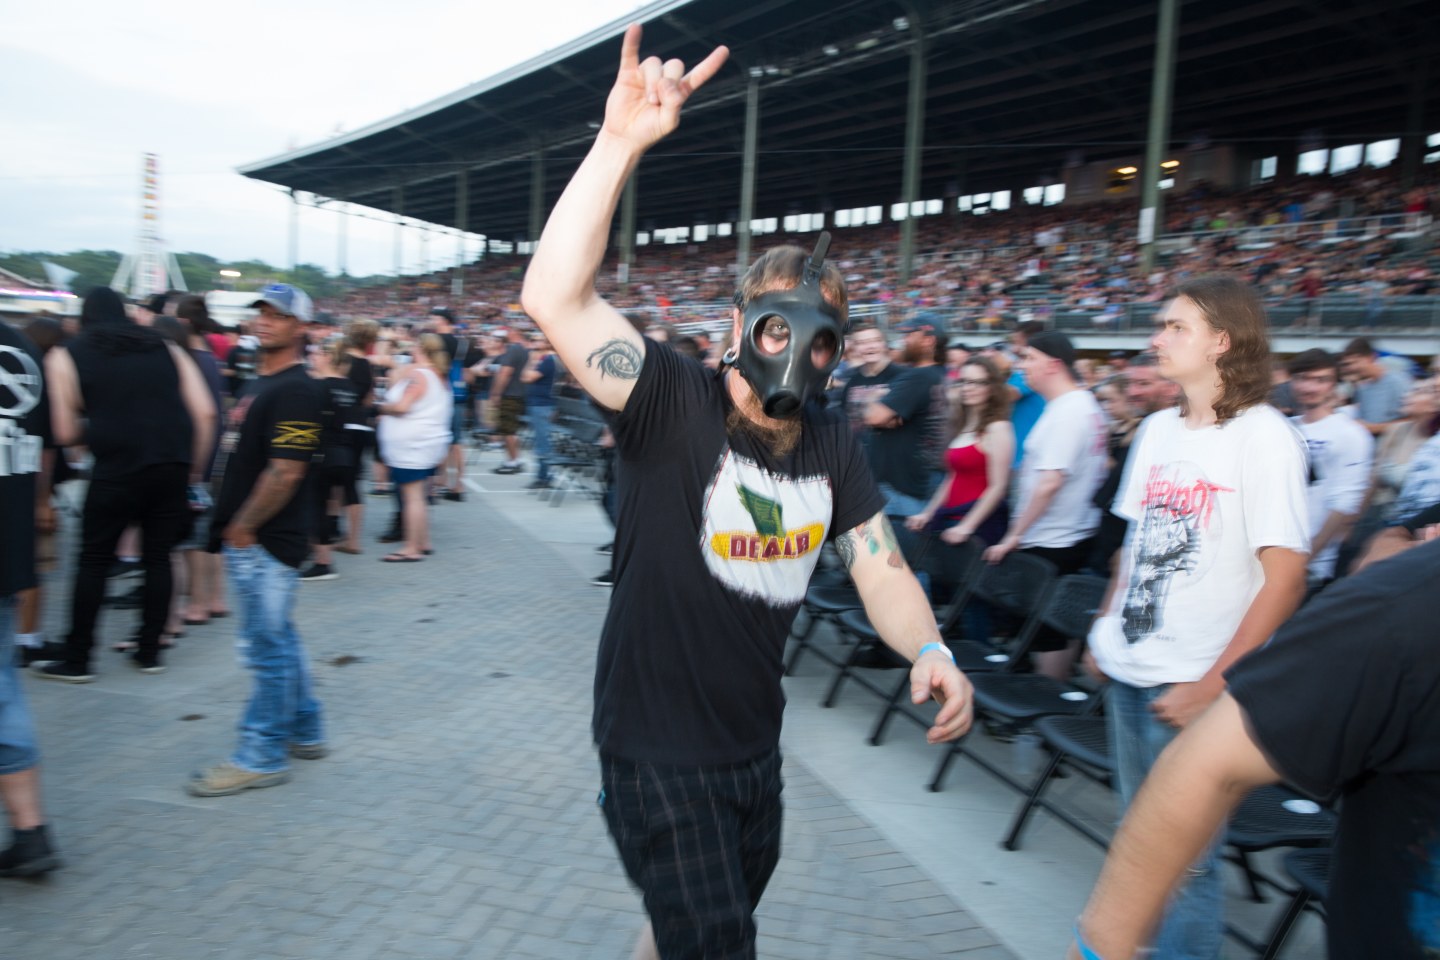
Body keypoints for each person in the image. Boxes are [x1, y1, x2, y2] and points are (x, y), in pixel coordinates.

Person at [519, 26, 973, 960]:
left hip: (752, 750)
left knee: (693, 930)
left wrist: (927, 645)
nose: (792, 357)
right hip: (653, 752)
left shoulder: (835, 445)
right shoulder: (668, 399)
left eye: (818, 342)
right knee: (717, 944)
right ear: (737, 325)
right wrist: (619, 146)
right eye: (775, 329)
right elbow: (554, 299)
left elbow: (880, 568)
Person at [1073, 540, 1440, 960]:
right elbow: (1206, 767)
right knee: (1161, 831)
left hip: (1181, 679)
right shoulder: (1408, 605)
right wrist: (1100, 949)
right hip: (1158, 676)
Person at [1086, 276, 1311, 960]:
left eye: (1175, 326)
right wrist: (1105, 627)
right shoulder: (1156, 430)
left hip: (1192, 679)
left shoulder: (1265, 437)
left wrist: (1216, 683)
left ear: (1223, 341)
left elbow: (1286, 578)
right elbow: (1133, 543)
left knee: (1186, 862)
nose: (1157, 338)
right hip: (1133, 666)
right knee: (1139, 840)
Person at [34, 287, 215, 680]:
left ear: (84, 317)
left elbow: (64, 432)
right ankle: (149, 652)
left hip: (116, 468)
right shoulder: (165, 346)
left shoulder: (67, 354)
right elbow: (204, 413)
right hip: (171, 464)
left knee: (94, 560)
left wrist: (104, 424)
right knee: (158, 557)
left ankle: (78, 658)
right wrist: (193, 472)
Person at [190, 284, 325, 797]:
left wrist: (243, 527)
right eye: (261, 312)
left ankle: (261, 753)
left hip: (265, 542)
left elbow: (286, 472)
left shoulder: (295, 389)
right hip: (257, 540)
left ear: (301, 327)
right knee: (280, 641)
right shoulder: (259, 381)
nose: (265, 321)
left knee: (264, 651)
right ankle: (306, 728)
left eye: (278, 315)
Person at [983, 330, 1108, 681]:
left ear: (1053, 365)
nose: (1022, 368)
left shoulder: (1069, 412)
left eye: (1029, 359)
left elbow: (1050, 482)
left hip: (1053, 536)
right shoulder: (1077, 405)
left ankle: (1046, 702)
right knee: (1050, 627)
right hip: (1065, 531)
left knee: (1048, 629)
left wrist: (1014, 535)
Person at [0, 318, 61, 877]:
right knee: (3, 688)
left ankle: (31, 832)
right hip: (9, 538)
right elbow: (46, 442)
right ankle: (29, 830)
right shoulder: (21, 347)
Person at [1286, 349, 1374, 586]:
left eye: (1320, 380)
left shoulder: (1350, 434)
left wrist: (1307, 559)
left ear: (1334, 385)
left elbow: (1344, 506)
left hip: (1310, 564)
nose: (1309, 387)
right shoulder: (1282, 427)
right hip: (1269, 554)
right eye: (1303, 378)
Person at [375, 333, 453, 562]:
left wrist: (381, 408)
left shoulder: (420, 375)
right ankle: (423, 541)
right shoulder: (438, 375)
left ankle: (411, 547)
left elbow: (402, 406)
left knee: (412, 497)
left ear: (420, 348)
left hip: (412, 446)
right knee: (419, 495)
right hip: (426, 443)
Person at [1339, 336, 1412, 436]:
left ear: (1372, 357)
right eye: (1348, 364)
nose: (1352, 368)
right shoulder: (1361, 389)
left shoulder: (1398, 383)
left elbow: (1412, 421)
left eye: (1355, 362)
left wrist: (1374, 428)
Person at [488, 326, 530, 475]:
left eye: (509, 331)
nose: (506, 333)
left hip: (509, 394)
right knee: (510, 430)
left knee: (508, 431)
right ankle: (513, 459)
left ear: (515, 332)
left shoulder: (514, 349)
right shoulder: (522, 350)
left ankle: (513, 462)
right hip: (517, 393)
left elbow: (505, 373)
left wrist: (496, 393)